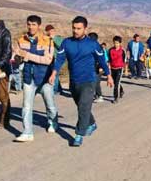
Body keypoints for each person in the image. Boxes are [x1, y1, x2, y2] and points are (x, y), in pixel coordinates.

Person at [49, 16, 114, 147]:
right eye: (74, 28)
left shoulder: (92, 44)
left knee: (83, 106)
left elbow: (102, 60)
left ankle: (78, 134)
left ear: (85, 29)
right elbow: (60, 58)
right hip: (74, 82)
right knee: (81, 106)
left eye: (79, 28)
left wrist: (109, 75)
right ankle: (92, 123)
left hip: (89, 80)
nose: (75, 31)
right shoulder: (67, 42)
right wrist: (54, 73)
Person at [14, 15, 58, 142]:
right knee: (26, 106)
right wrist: (17, 59)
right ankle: (27, 132)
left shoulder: (47, 40)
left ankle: (53, 122)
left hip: (44, 77)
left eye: (33, 24)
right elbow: (17, 57)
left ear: (39, 26)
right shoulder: (21, 40)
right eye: (29, 24)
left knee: (50, 105)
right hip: (28, 77)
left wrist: (27, 55)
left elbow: (47, 60)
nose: (31, 27)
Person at [45, 25, 63, 94]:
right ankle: (59, 89)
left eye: (52, 30)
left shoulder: (58, 38)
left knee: (55, 74)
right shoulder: (47, 38)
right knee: (52, 74)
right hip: (48, 58)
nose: (50, 32)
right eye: (49, 31)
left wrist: (54, 39)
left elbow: (61, 47)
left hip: (56, 58)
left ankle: (55, 90)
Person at [108, 36, 126, 104]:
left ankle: (116, 98)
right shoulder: (110, 50)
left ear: (120, 43)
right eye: (115, 43)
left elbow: (125, 61)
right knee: (116, 82)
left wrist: (126, 70)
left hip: (119, 69)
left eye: (117, 43)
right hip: (113, 69)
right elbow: (109, 60)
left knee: (116, 84)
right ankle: (121, 91)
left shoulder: (122, 51)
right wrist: (108, 68)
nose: (116, 44)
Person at [88, 32, 104, 103]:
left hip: (97, 67)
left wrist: (100, 67)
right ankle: (96, 95)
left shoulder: (98, 47)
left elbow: (101, 58)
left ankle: (100, 96)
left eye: (89, 38)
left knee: (96, 82)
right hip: (91, 67)